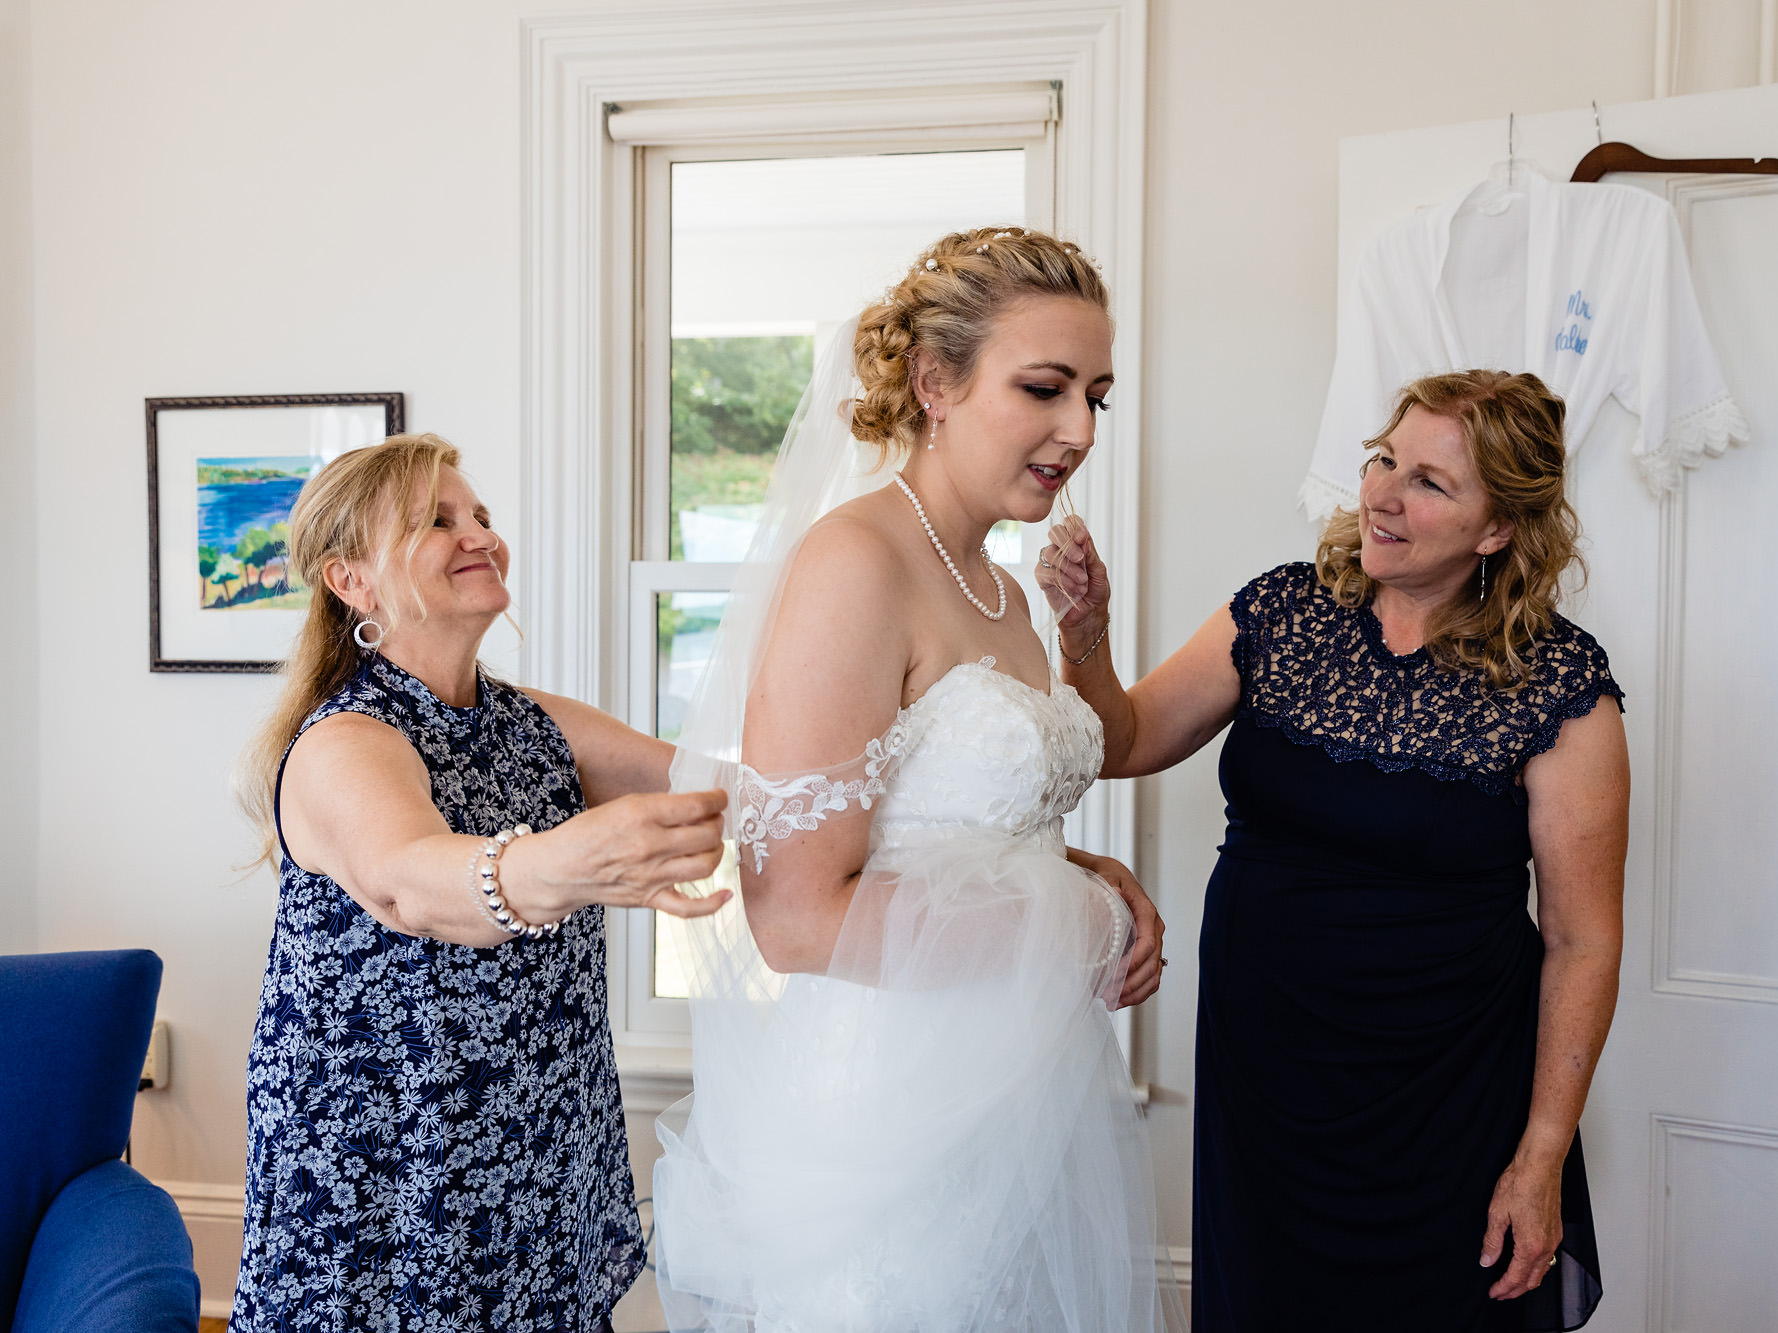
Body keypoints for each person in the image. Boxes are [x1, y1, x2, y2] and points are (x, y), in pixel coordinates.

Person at [651, 227, 1181, 1332]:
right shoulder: (855, 564)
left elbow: (950, 829)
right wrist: (1078, 916)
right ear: (934, 383)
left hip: (1014, 1093)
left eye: (1096, 395)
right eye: (1043, 388)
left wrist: (1084, 866)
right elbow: (798, 916)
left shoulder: (999, 583)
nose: (1078, 430)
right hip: (886, 1114)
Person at [1038, 371, 1626, 1331]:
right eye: (1384, 459)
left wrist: (1542, 1151)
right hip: (1265, 1076)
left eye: (1431, 481)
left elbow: (1582, 941)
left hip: (1449, 1097)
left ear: (1498, 529)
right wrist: (1087, 639)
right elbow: (1122, 741)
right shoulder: (1279, 614)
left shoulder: (1560, 684)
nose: (1384, 495)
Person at [230, 434, 730, 1332]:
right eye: (436, 521)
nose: (480, 536)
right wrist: (570, 860)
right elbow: (410, 883)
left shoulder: (535, 722)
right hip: (394, 1168)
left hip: (536, 1146)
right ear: (353, 582)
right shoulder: (344, 742)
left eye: (482, 517)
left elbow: (729, 789)